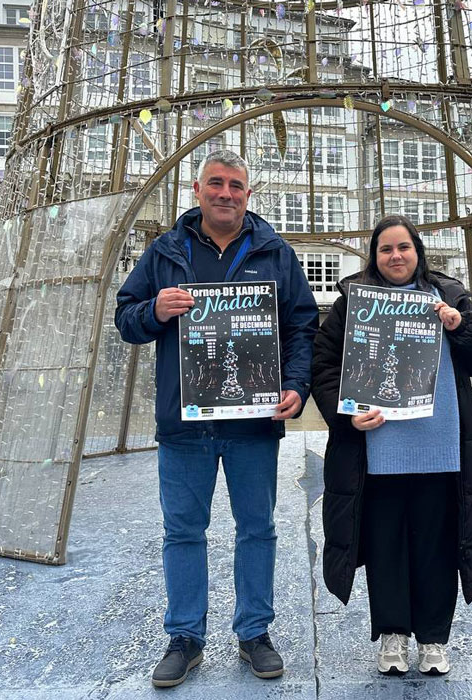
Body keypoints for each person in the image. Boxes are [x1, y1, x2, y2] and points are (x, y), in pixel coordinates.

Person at [115, 149, 319, 688]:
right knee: (183, 532)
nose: (225, 194)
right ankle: (185, 636)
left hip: (253, 424)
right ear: (197, 189)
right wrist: (153, 311)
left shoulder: (276, 253)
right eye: (216, 184)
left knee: (258, 528)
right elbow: (126, 317)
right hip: (185, 425)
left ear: (249, 195)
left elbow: (303, 326)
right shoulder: (165, 251)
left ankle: (254, 632)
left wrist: (296, 386)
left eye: (235, 186)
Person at [312, 214, 472, 676]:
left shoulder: (448, 296)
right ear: (374, 257)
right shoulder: (351, 304)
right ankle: (393, 635)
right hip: (377, 452)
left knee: (437, 547)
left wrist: (461, 325)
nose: (395, 256)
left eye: (403, 248)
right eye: (385, 249)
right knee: (385, 548)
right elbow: (323, 366)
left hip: (442, 450)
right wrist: (345, 413)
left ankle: (434, 638)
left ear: (418, 252)